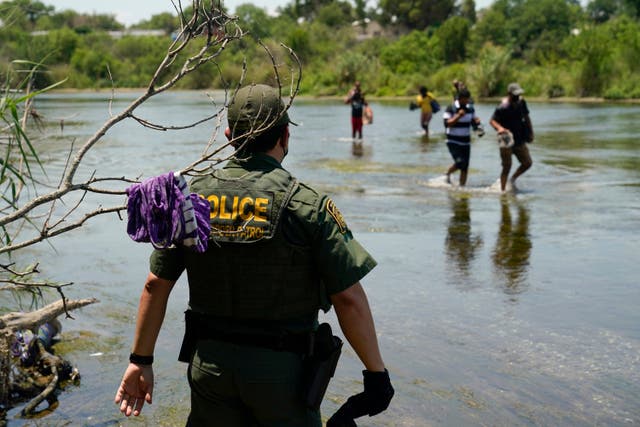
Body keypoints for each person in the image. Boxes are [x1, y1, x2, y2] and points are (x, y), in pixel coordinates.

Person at [115, 84, 394, 426]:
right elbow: (348, 298)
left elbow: (155, 285)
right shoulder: (307, 205)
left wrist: (140, 359)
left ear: (230, 136)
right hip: (284, 377)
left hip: (210, 369)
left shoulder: (190, 199)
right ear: (285, 136)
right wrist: (375, 373)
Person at [489, 82, 534, 192]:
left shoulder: (522, 102)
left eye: (518, 95)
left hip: (519, 138)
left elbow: (527, 117)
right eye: (515, 95)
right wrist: (499, 128)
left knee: (527, 163)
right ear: (509, 94)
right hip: (506, 137)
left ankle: (512, 179)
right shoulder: (502, 107)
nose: (517, 97)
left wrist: (531, 132)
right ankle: (503, 192)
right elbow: (492, 121)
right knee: (507, 166)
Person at [443, 88, 482, 186]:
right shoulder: (451, 108)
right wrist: (458, 116)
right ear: (459, 99)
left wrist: (478, 127)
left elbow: (474, 124)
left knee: (465, 167)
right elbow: (447, 124)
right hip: (453, 141)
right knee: (460, 162)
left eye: (467, 99)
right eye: (464, 99)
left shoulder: (470, 109)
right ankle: (447, 173)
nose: (466, 101)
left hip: (466, 141)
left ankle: (462, 188)